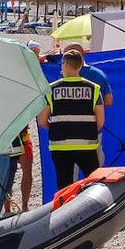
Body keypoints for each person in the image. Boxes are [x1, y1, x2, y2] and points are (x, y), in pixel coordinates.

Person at [37, 49, 104, 187]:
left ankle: (65, 208)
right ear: (80, 66)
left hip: (60, 146)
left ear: (65, 65)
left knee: (64, 186)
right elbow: (100, 121)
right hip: (87, 144)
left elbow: (41, 120)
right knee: (93, 184)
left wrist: (56, 128)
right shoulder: (94, 89)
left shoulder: (51, 89)